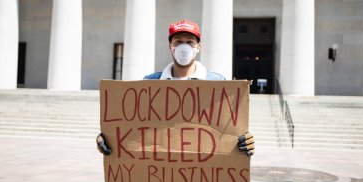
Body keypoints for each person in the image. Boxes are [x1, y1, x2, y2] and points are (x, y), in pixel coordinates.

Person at [97, 19, 255, 157]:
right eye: (178, 42)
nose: (184, 47)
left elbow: (229, 126)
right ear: (170, 46)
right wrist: (109, 137)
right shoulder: (151, 82)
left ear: (197, 47)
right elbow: (133, 125)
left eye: (190, 42)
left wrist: (245, 140)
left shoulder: (217, 82)